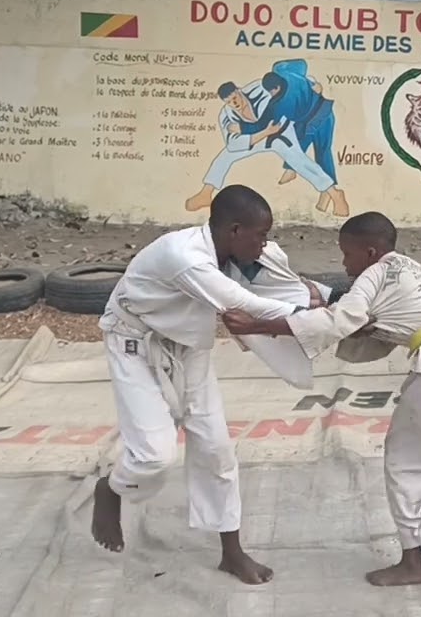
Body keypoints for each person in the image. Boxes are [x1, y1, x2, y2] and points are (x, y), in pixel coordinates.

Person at [221, 211, 421, 586]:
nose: (344, 263)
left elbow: (339, 322)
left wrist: (257, 325)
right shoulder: (411, 270)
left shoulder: (373, 273)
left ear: (369, 252)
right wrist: (325, 305)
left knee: (405, 463)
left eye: (346, 254)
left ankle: (413, 561)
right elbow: (370, 322)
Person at [90, 184, 324, 585]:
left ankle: (231, 553)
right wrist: (322, 321)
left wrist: (325, 300)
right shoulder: (186, 258)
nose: (264, 243)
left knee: (217, 449)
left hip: (189, 348)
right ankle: (111, 490)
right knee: (153, 457)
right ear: (234, 230)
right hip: (134, 344)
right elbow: (246, 305)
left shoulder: (238, 251)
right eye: (259, 235)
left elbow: (281, 281)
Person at [184, 79, 348, 215]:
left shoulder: (259, 88)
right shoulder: (226, 115)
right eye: (229, 102)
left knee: (299, 161)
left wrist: (312, 84)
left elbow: (288, 83)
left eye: (236, 97)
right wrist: (263, 133)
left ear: (239, 90)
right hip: (258, 138)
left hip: (281, 133)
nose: (235, 103)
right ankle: (206, 193)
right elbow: (233, 144)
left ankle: (335, 194)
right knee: (225, 155)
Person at [261, 60, 347, 216]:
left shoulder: (286, 89)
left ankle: (323, 189)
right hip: (311, 119)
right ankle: (323, 190)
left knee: (319, 151)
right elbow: (303, 67)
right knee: (313, 149)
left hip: (320, 116)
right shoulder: (297, 79)